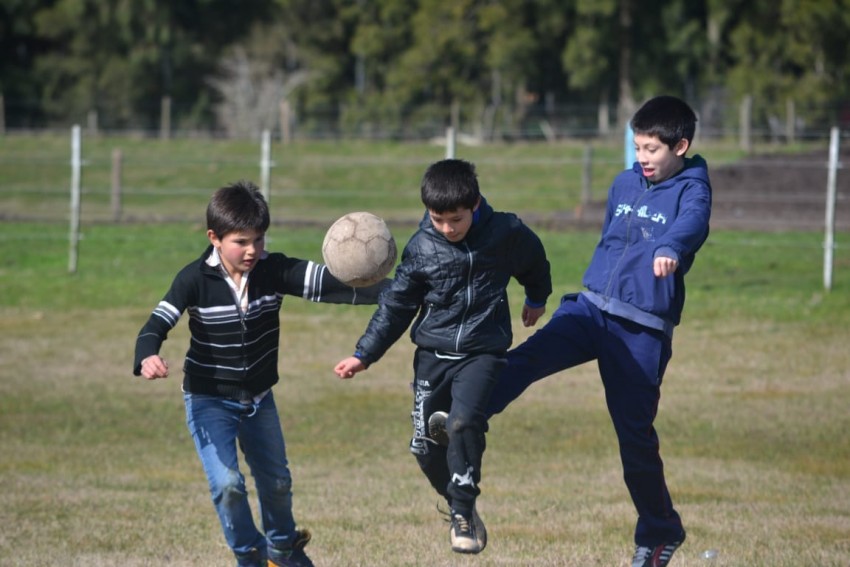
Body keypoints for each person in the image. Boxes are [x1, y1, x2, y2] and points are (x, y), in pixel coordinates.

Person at [467, 95, 709, 567]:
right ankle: (462, 415)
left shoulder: (693, 191)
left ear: (680, 146)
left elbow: (692, 224)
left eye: (653, 149)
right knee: (525, 359)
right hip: (592, 308)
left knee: (634, 437)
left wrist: (671, 248)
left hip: (641, 330)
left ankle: (661, 532)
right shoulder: (624, 183)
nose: (643, 157)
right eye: (638, 147)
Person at [133, 181, 387, 567]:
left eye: (258, 239)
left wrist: (400, 291)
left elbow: (332, 284)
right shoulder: (193, 279)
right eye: (241, 242)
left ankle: (283, 552)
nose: (252, 250)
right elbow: (156, 322)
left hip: (259, 400)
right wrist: (147, 355)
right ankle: (251, 554)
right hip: (208, 400)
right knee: (228, 486)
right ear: (214, 238)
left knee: (278, 483)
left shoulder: (272, 270)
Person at [333, 159, 552, 554]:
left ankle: (464, 511)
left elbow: (534, 261)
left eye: (456, 219)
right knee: (423, 447)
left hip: (482, 352)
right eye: (439, 220)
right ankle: (457, 503)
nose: (448, 228)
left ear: (475, 205)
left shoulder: (505, 233)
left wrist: (537, 297)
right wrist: (364, 354)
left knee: (464, 422)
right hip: (433, 356)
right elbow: (396, 306)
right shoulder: (422, 247)